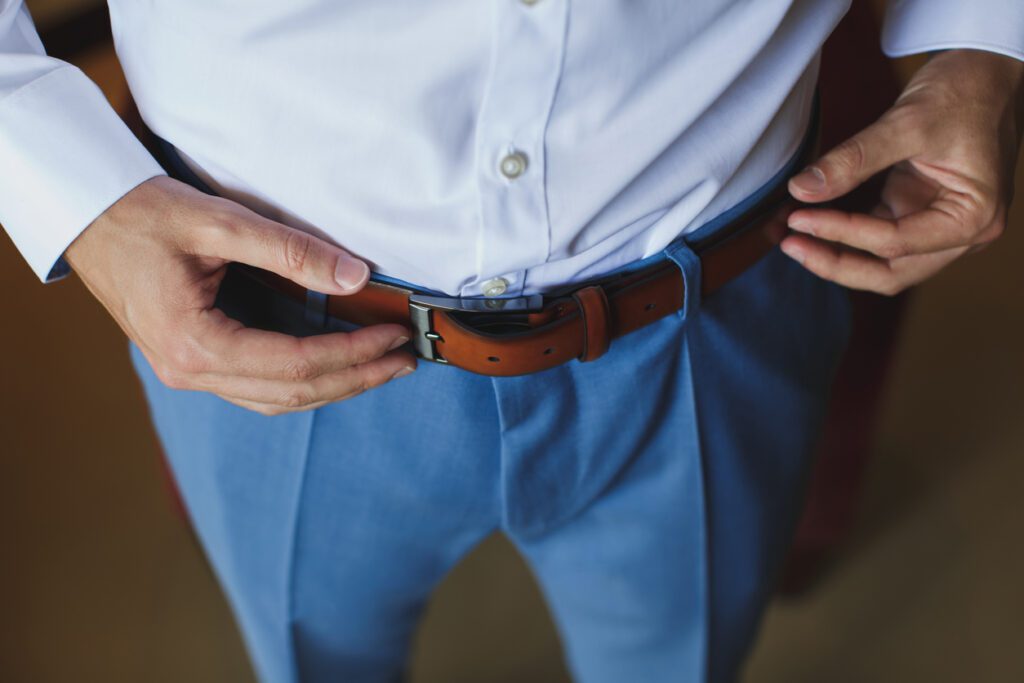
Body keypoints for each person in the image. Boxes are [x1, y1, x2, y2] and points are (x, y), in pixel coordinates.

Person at [1, 1, 1021, 681]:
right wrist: (74, 196)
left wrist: (987, 41)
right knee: (309, 655)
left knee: (680, 659)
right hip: (269, 326)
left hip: (717, 303)